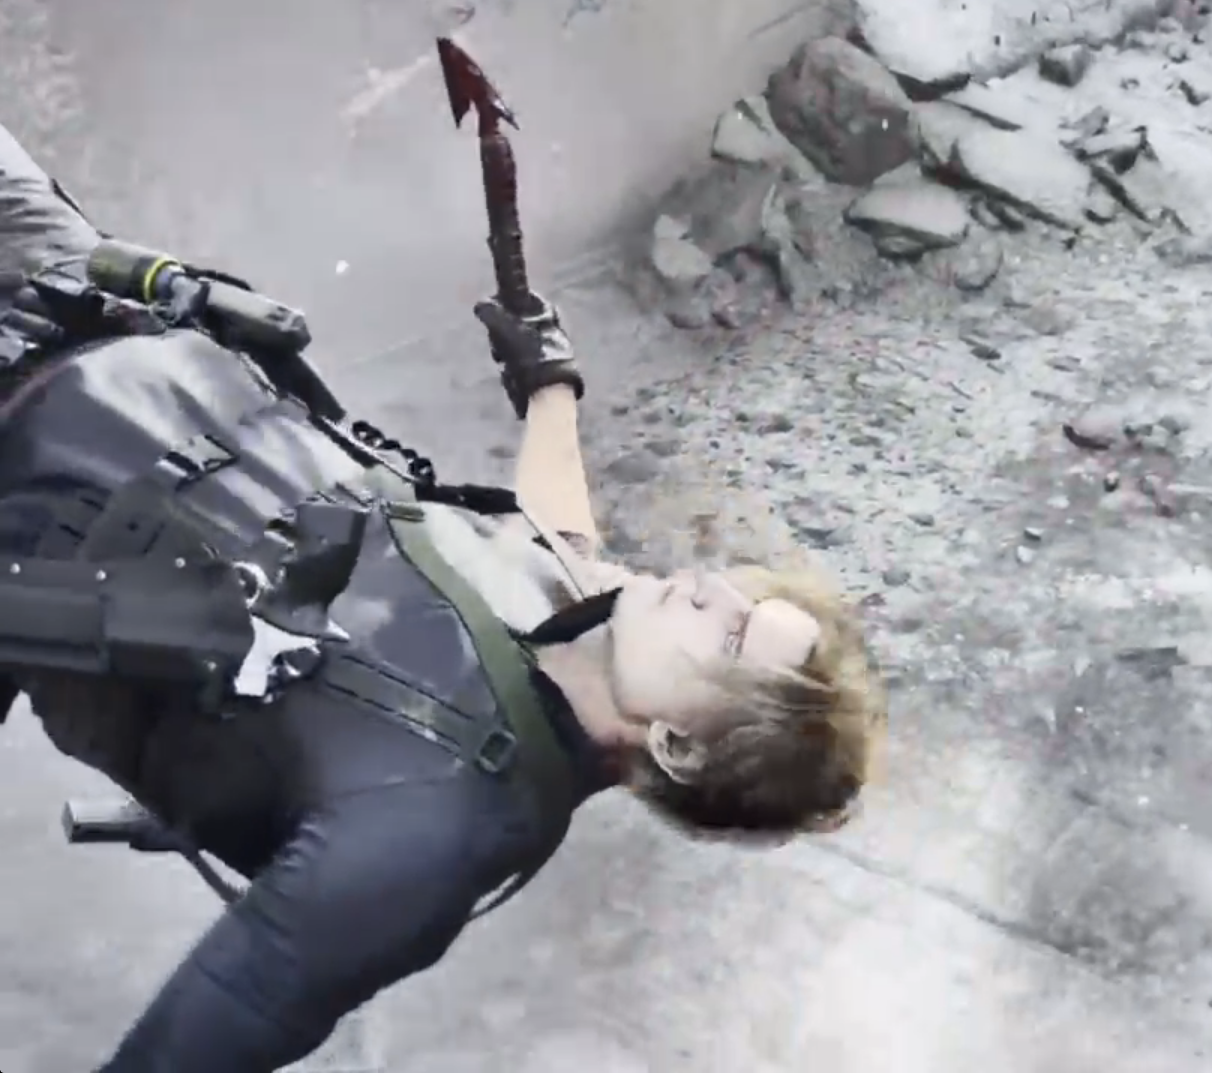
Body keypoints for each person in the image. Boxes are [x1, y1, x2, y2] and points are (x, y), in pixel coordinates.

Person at [0, 120, 887, 1072]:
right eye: (743, 593)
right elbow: (560, 527)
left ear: (678, 743)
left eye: (733, 634)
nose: (711, 587)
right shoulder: (578, 615)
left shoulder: (422, 839)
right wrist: (550, 383)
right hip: (93, 295)